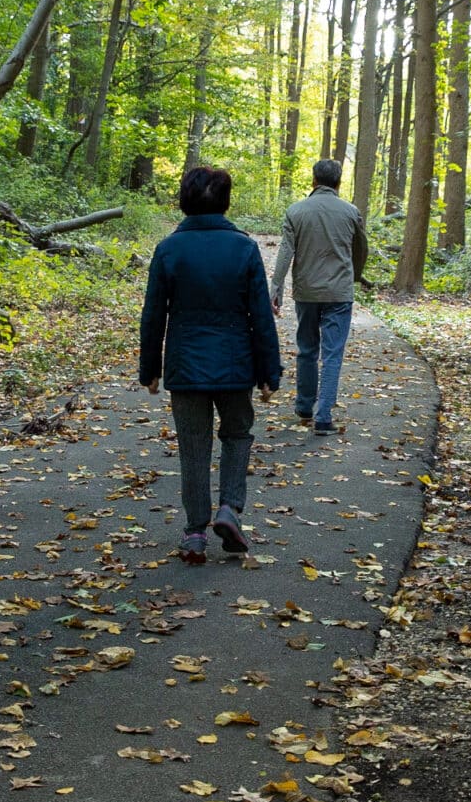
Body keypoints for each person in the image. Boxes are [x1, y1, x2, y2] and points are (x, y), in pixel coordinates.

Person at [139, 166, 281, 565]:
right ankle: (229, 510)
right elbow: (260, 316)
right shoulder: (244, 248)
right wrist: (270, 373)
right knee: (237, 435)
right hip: (236, 364)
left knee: (194, 447)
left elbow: (154, 315)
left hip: (185, 366)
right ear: (226, 201)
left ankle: (195, 532)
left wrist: (149, 368)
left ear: (184, 200)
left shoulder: (169, 249)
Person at [270, 158, 368, 435]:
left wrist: (275, 287)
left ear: (313, 181)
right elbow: (361, 250)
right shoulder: (351, 212)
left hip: (306, 291)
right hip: (339, 292)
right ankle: (323, 416)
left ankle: (303, 406)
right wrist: (355, 275)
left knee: (307, 349)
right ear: (338, 182)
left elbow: (286, 252)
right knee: (333, 354)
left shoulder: (296, 211)